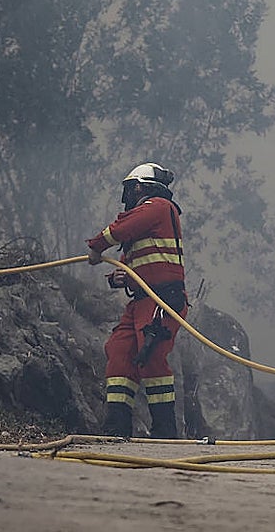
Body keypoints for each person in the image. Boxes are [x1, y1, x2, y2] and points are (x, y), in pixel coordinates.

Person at [86, 162, 188, 438]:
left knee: (152, 356)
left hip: (162, 301)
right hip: (142, 301)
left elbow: (122, 228)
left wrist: (97, 246)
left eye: (130, 189)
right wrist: (119, 278)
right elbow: (133, 261)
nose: (127, 196)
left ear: (140, 186)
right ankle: (117, 427)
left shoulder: (158, 206)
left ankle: (165, 431)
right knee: (119, 351)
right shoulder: (148, 217)